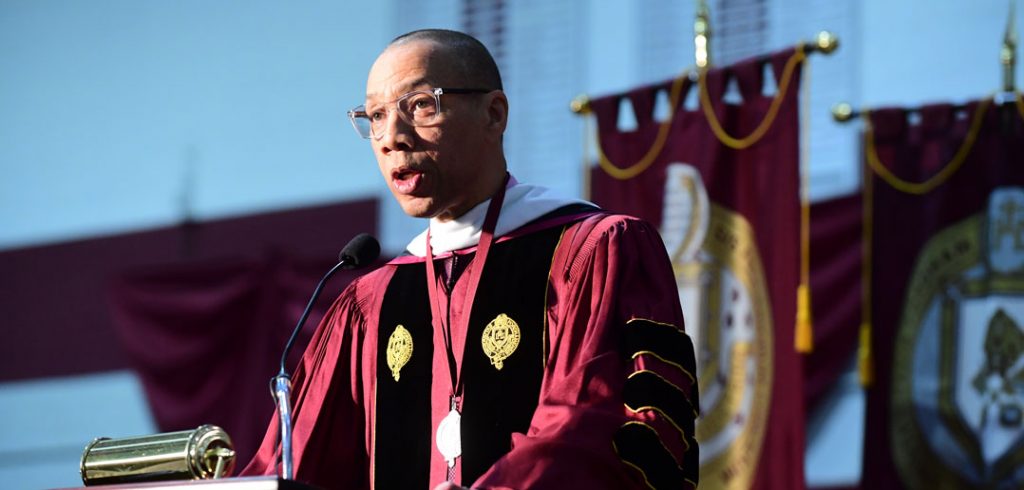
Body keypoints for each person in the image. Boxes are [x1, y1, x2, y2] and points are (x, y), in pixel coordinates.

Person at [242, 29, 698, 490]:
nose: (391, 138)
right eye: (375, 116)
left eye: (420, 105)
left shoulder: (590, 252)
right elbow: (290, 462)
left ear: (494, 114)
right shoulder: (370, 303)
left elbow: (603, 422)